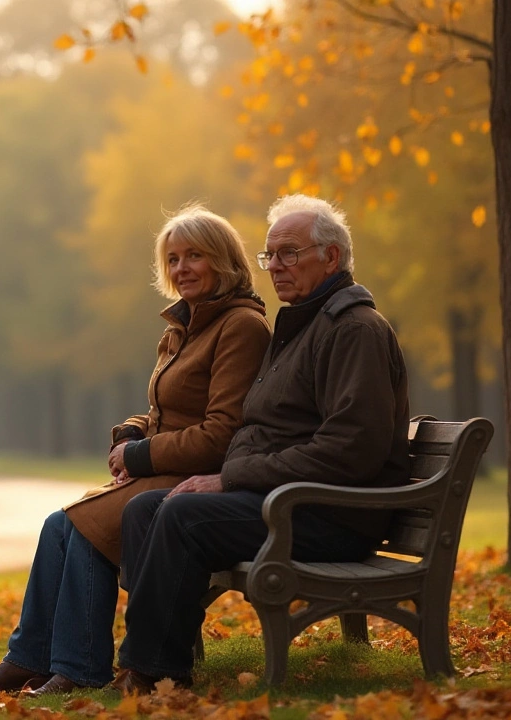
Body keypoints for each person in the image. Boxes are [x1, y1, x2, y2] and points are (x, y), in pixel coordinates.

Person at [0, 204, 271, 696]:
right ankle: (30, 659)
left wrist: (139, 457)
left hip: (193, 480)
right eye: (172, 259)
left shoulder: (240, 326)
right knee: (60, 525)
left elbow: (222, 433)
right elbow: (161, 411)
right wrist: (130, 433)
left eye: (195, 255)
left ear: (225, 261)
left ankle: (79, 667)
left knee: (82, 525)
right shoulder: (182, 327)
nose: (181, 268)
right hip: (164, 468)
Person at [110, 194, 411, 695]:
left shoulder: (353, 329)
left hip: (330, 513)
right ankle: (158, 655)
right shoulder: (303, 326)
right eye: (270, 255)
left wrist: (230, 477)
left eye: (290, 253)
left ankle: (152, 671)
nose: (275, 267)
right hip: (287, 501)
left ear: (331, 257)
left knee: (182, 517)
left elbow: (351, 448)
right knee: (144, 510)